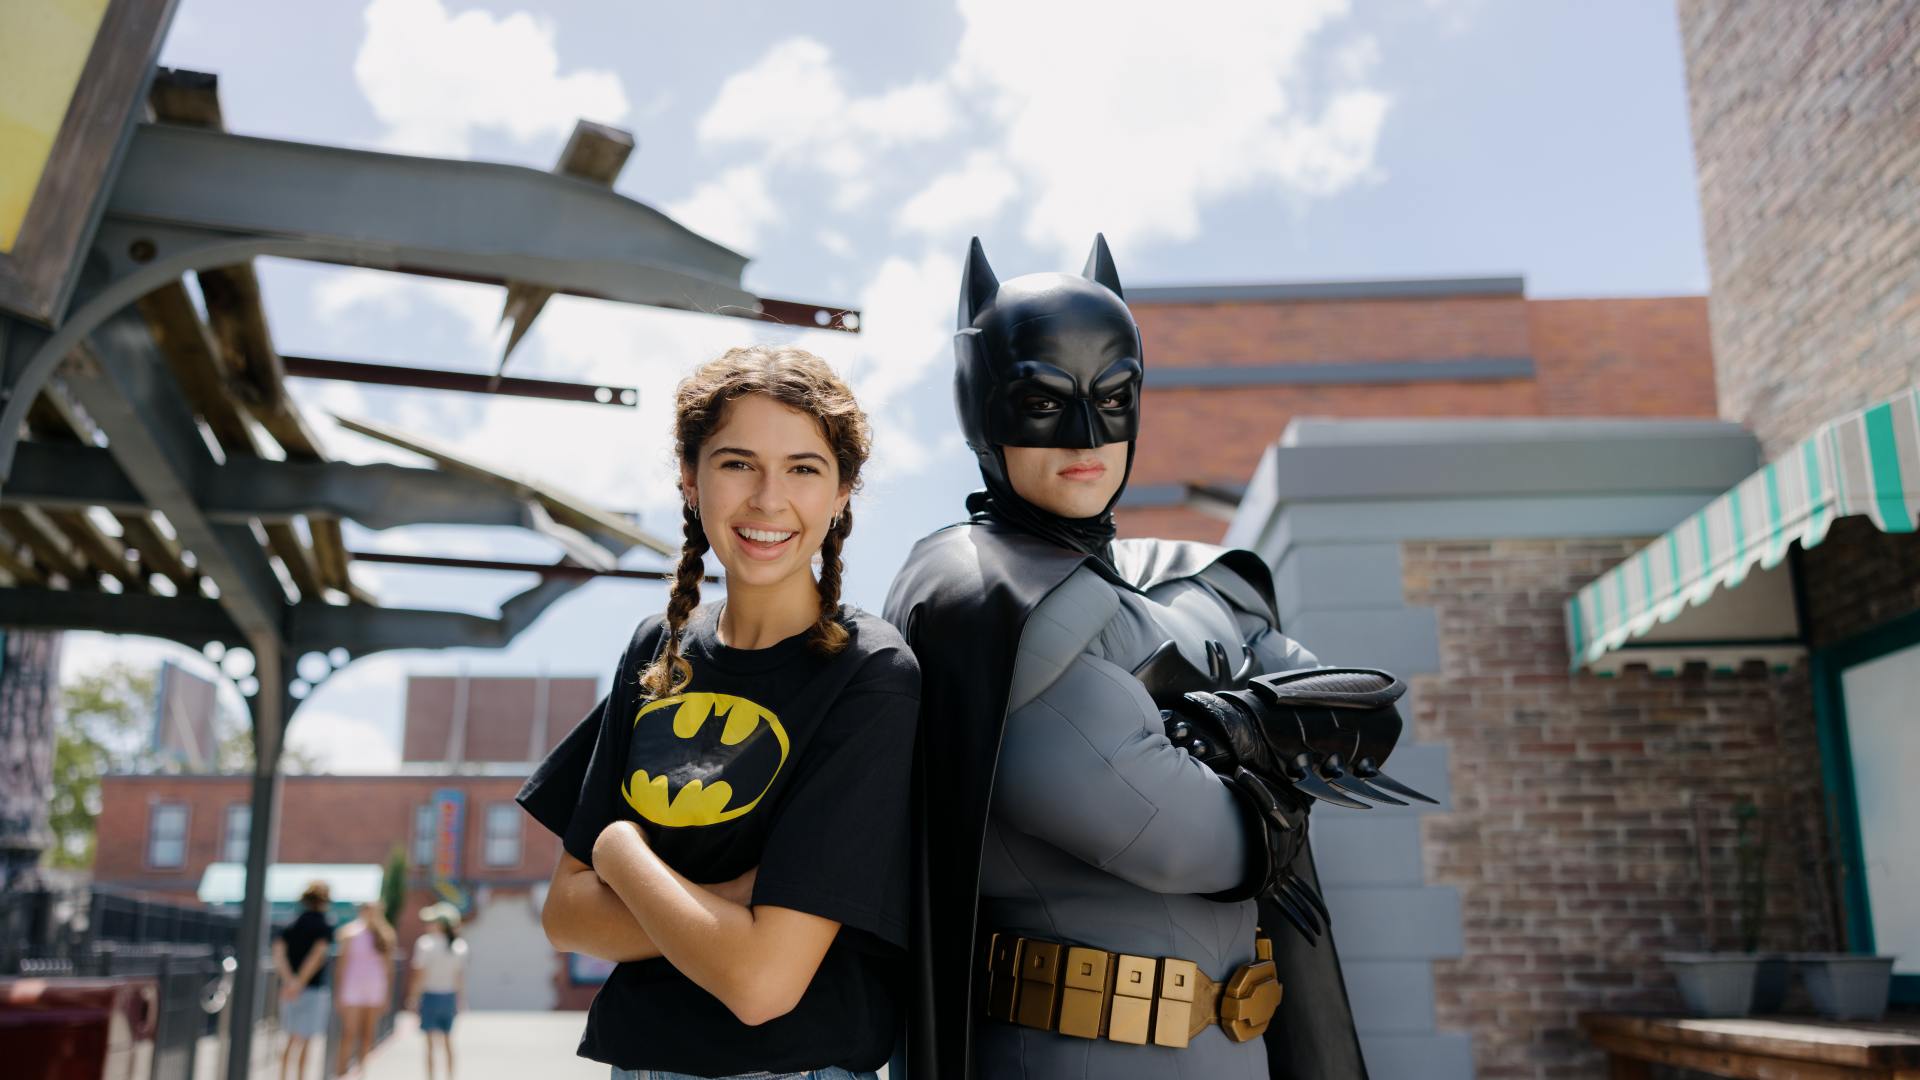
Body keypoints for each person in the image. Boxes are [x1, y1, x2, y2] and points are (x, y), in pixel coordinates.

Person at [882, 236, 1432, 1080]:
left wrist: (1212, 729)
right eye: (1042, 400)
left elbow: (1365, 718)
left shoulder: (1189, 577)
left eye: (1113, 397)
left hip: (1239, 1050)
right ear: (983, 407)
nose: (1085, 435)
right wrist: (1266, 735)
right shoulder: (978, 592)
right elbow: (1196, 839)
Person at [517, 346, 920, 1080]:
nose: (769, 499)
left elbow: (762, 982)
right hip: (637, 1061)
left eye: (803, 469)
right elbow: (565, 916)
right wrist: (727, 900)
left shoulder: (871, 674)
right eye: (738, 463)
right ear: (690, 479)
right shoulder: (658, 650)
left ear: (842, 494)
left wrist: (620, 854)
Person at [273, 880, 335, 1080]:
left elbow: (278, 952)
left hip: (289, 989)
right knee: (306, 1042)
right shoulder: (324, 924)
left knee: (289, 1039)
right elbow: (317, 955)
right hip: (312, 989)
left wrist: (289, 981)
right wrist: (299, 983)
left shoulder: (290, 923)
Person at [334, 900, 397, 1077]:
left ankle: (361, 1073)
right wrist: (339, 994)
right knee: (349, 1032)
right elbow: (341, 964)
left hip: (375, 987)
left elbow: (389, 968)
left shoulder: (387, 934)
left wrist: (387, 995)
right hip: (352, 987)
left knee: (368, 1033)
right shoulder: (349, 932)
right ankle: (341, 1073)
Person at [407, 902, 467, 1080]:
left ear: (440, 924)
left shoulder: (425, 944)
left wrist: (413, 998)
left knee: (430, 1044)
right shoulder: (460, 946)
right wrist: (461, 1000)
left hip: (430, 996)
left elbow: (419, 976)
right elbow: (459, 978)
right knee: (448, 1041)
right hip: (449, 997)